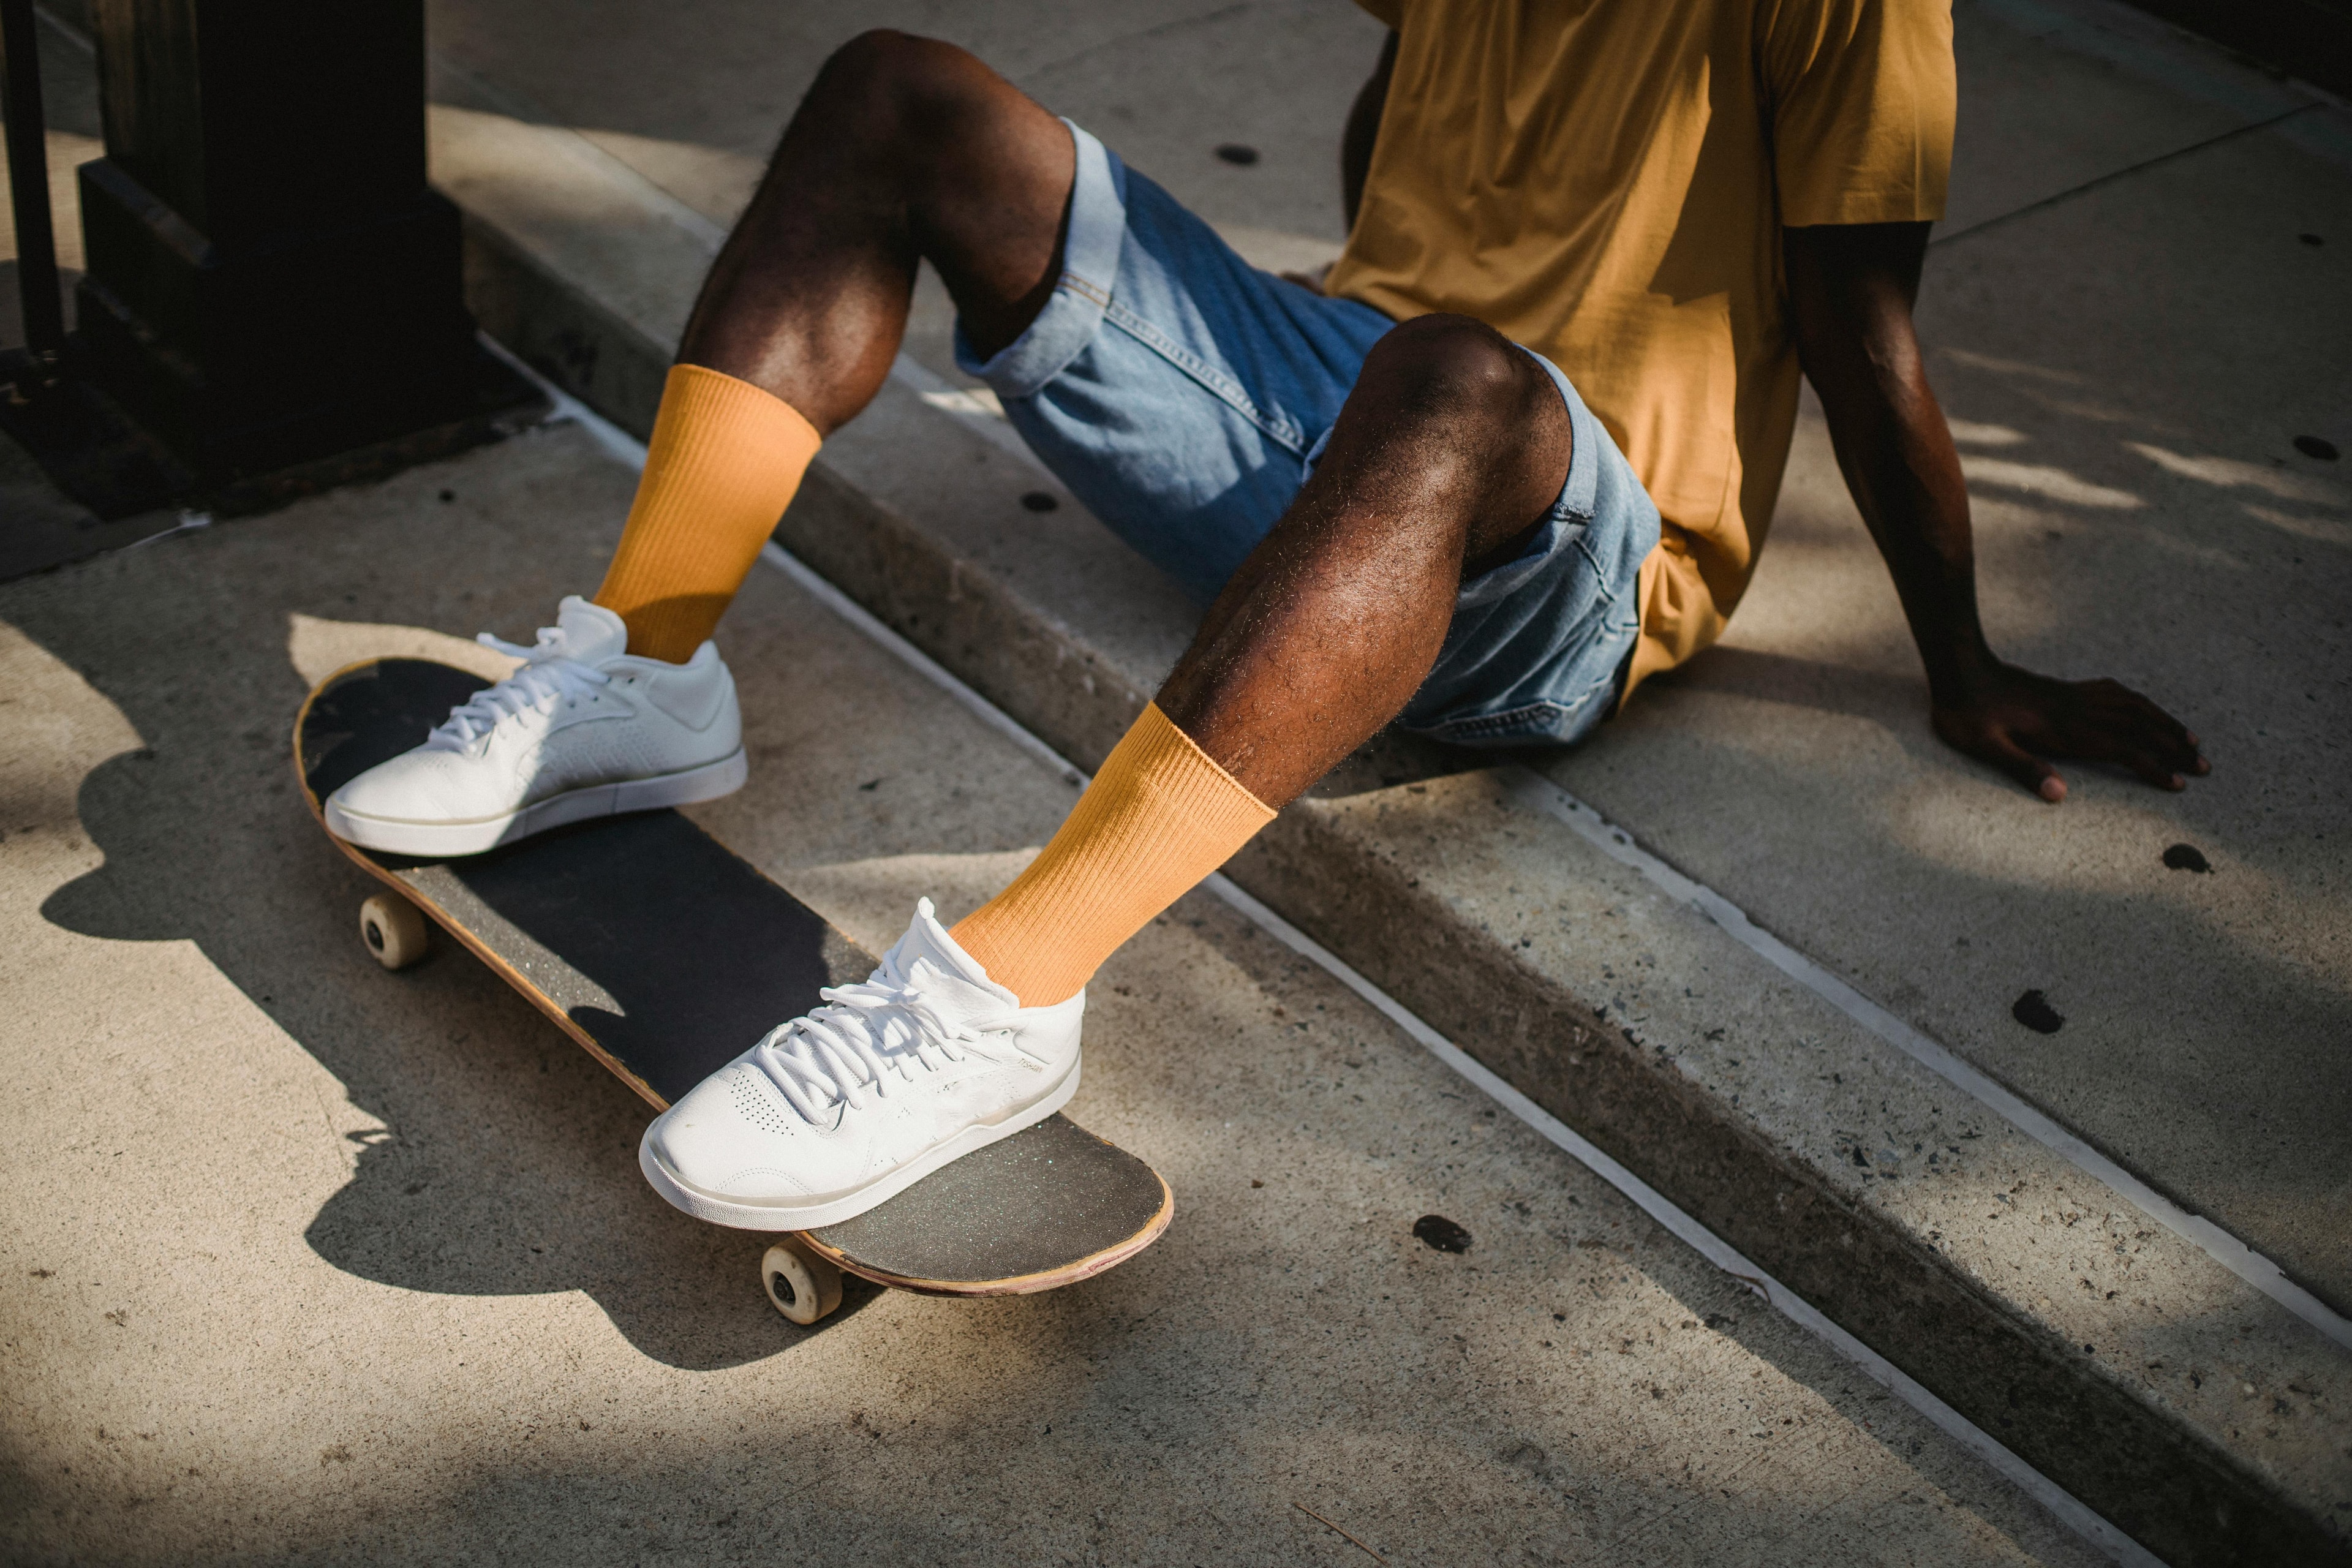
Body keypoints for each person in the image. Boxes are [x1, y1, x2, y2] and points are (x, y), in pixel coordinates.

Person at [325, 2, 2207, 1231]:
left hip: (1563, 554)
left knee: (1457, 378)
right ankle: (647, 669)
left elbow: (1864, 332)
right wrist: (1320, 323)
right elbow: (1407, 122)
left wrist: (1965, 667)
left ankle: (1002, 1002)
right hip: (1351, 404)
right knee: (901, 95)